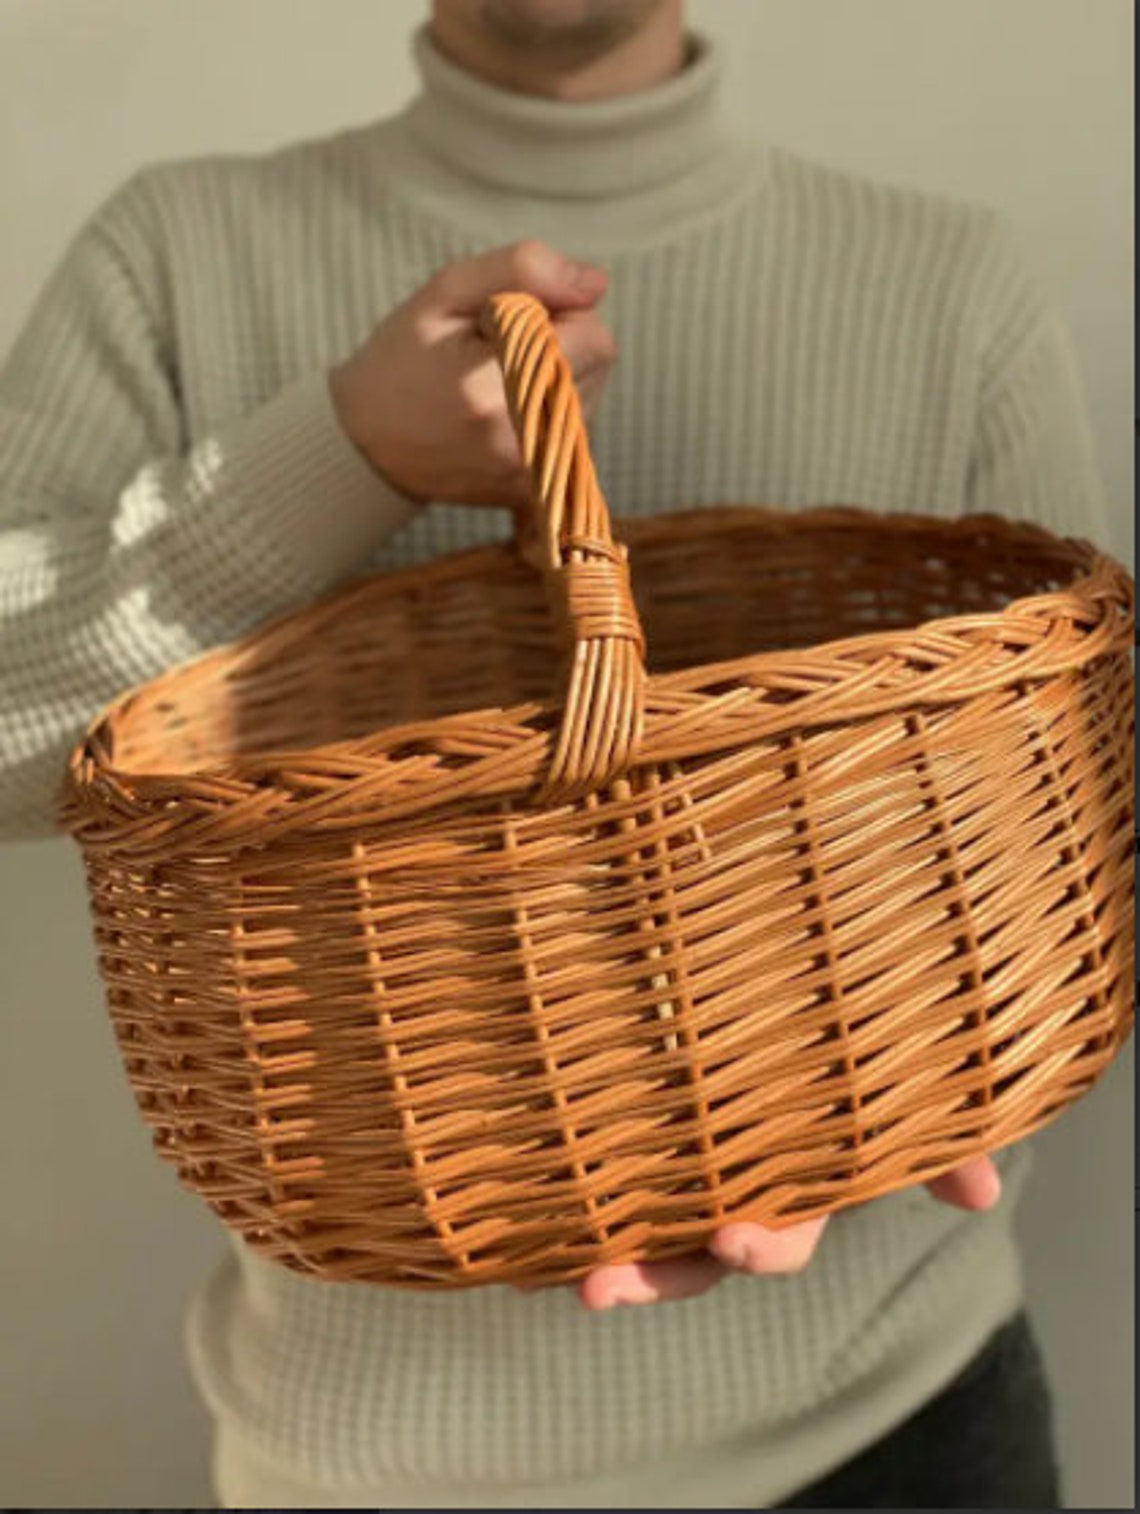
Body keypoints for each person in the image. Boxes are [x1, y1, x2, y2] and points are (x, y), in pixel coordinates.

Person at [0, 0, 1110, 1507]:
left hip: (896, 1423)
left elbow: (1070, 834)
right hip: (368, 1462)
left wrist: (906, 1107)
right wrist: (344, 454)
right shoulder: (177, 254)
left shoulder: (948, 283)